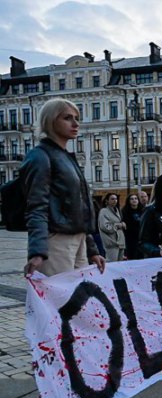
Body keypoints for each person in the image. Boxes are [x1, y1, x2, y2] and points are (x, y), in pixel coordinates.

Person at [22, 98, 105, 276]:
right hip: (57, 241)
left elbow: (80, 209)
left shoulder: (66, 158)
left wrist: (92, 249)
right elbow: (36, 206)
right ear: (51, 120)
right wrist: (37, 251)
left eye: (77, 118)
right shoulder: (40, 156)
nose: (76, 124)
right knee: (60, 300)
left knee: (80, 300)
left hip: (78, 240)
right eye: (67, 118)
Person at [98, 193, 126, 262]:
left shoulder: (117, 210)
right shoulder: (104, 211)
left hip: (120, 242)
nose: (115, 200)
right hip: (112, 243)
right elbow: (105, 227)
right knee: (111, 264)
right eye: (112, 199)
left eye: (116, 199)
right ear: (107, 201)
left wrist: (122, 224)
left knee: (120, 265)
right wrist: (118, 225)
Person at [121, 193, 144, 260]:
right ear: (129, 201)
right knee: (132, 256)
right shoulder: (125, 211)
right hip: (130, 238)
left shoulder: (143, 210)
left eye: (136, 198)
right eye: (132, 199)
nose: (134, 200)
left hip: (142, 237)